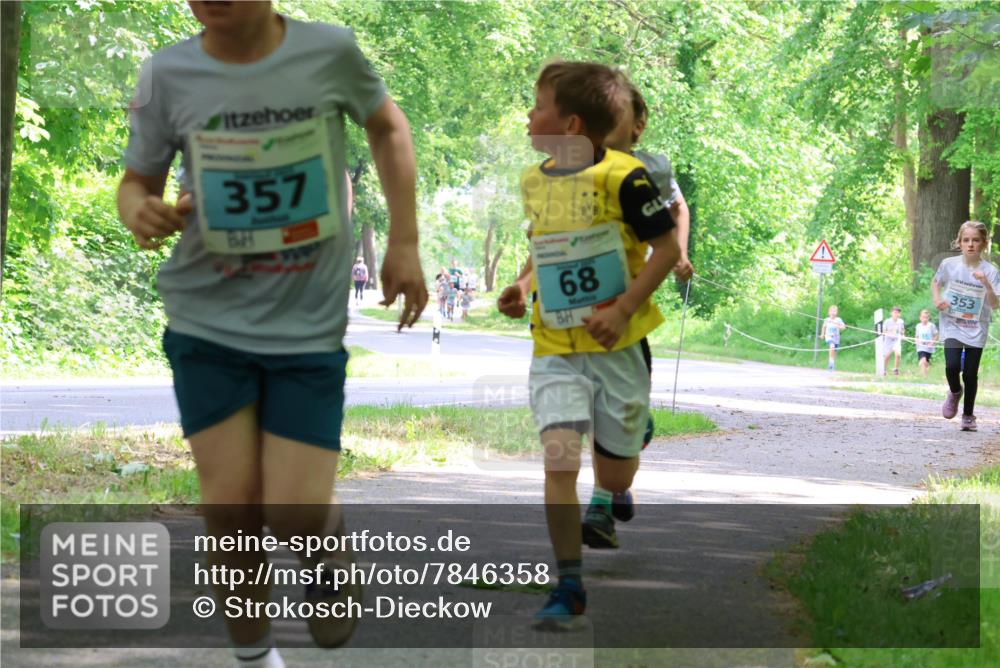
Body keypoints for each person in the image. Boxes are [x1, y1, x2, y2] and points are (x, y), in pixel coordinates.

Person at [117, 3, 426, 666]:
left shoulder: (330, 52)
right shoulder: (165, 73)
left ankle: (325, 541)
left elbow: (388, 127)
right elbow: (136, 180)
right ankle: (254, 657)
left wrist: (404, 239)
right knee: (228, 510)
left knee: (289, 511)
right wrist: (139, 209)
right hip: (207, 320)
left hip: (306, 329)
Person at [497, 61, 679, 630]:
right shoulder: (533, 180)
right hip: (552, 345)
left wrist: (623, 306)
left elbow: (667, 249)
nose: (530, 114)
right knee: (557, 460)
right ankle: (568, 581)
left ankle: (629, 436)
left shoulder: (625, 178)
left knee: (617, 477)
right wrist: (522, 285)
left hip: (615, 345)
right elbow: (544, 248)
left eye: (539, 104)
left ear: (570, 123)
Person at [577, 76, 694, 550]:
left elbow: (677, 207)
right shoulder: (569, 166)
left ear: (638, 124)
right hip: (576, 312)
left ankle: (607, 492)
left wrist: (679, 252)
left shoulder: (647, 170)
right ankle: (605, 494)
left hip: (626, 304)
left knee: (620, 407)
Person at [933, 220, 1000, 431]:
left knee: (970, 373)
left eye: (976, 240)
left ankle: (968, 415)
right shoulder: (949, 264)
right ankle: (954, 391)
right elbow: (936, 282)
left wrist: (986, 284)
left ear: (983, 243)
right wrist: (937, 300)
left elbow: (995, 304)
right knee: (952, 366)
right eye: (966, 240)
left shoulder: (990, 271)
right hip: (952, 324)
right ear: (959, 242)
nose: (970, 244)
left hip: (976, 328)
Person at [820, 305, 846, 371]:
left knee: (834, 351)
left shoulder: (838, 320)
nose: (833, 312)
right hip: (828, 336)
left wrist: (838, 326)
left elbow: (843, 327)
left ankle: (831, 364)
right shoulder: (826, 319)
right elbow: (824, 327)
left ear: (836, 312)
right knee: (832, 346)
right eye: (832, 311)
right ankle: (831, 363)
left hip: (836, 338)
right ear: (829, 312)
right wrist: (822, 334)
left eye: (835, 311)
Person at [915, 308, 939, 377]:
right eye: (923, 317)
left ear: (928, 318)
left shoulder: (931, 326)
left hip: (929, 348)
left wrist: (932, 343)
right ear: (920, 318)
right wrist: (917, 341)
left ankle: (927, 366)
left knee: (924, 363)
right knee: (923, 361)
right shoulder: (918, 326)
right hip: (921, 348)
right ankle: (925, 377)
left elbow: (936, 335)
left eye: (926, 317)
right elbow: (916, 336)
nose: (925, 319)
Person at [882, 306, 905, 375]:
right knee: (887, 356)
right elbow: (884, 331)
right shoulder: (887, 321)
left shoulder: (901, 321)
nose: (896, 314)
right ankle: (884, 370)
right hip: (888, 340)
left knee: (898, 354)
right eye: (894, 312)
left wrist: (903, 335)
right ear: (891, 313)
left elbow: (902, 330)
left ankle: (895, 369)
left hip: (896, 340)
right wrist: (889, 334)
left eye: (897, 313)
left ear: (899, 314)